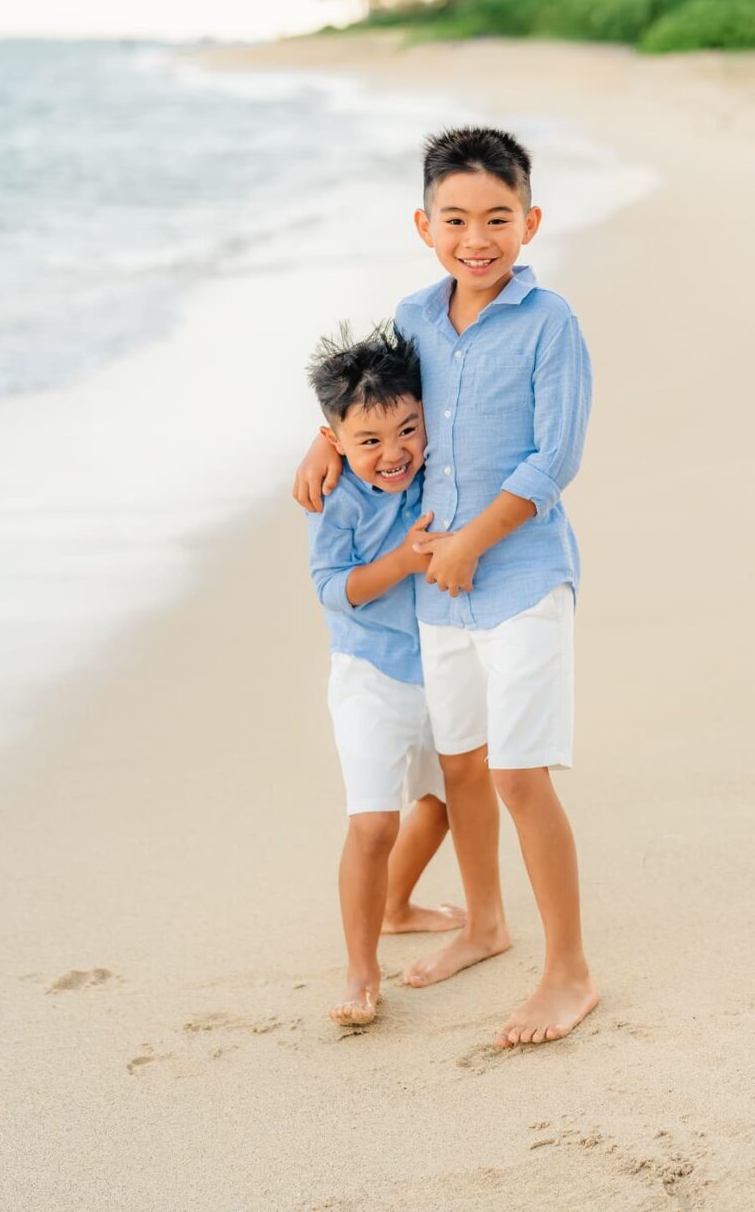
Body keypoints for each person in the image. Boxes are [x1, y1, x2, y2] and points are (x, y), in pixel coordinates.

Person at [297, 127, 598, 1046]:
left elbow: (557, 459)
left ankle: (569, 972)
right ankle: (487, 922)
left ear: (530, 221)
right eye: (457, 219)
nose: (479, 238)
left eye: (498, 218)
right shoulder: (418, 317)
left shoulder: (552, 324)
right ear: (424, 225)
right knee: (462, 765)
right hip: (440, 593)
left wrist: (473, 539)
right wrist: (320, 441)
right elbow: (371, 398)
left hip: (520, 574)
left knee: (518, 773)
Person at [306, 323, 464, 1028]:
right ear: (336, 442)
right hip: (370, 674)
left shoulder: (439, 464)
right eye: (370, 442)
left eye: (408, 430)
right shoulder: (338, 499)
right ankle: (361, 968)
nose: (394, 453)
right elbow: (333, 590)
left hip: (443, 664)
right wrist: (401, 560)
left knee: (446, 803)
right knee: (372, 823)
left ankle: (398, 906)